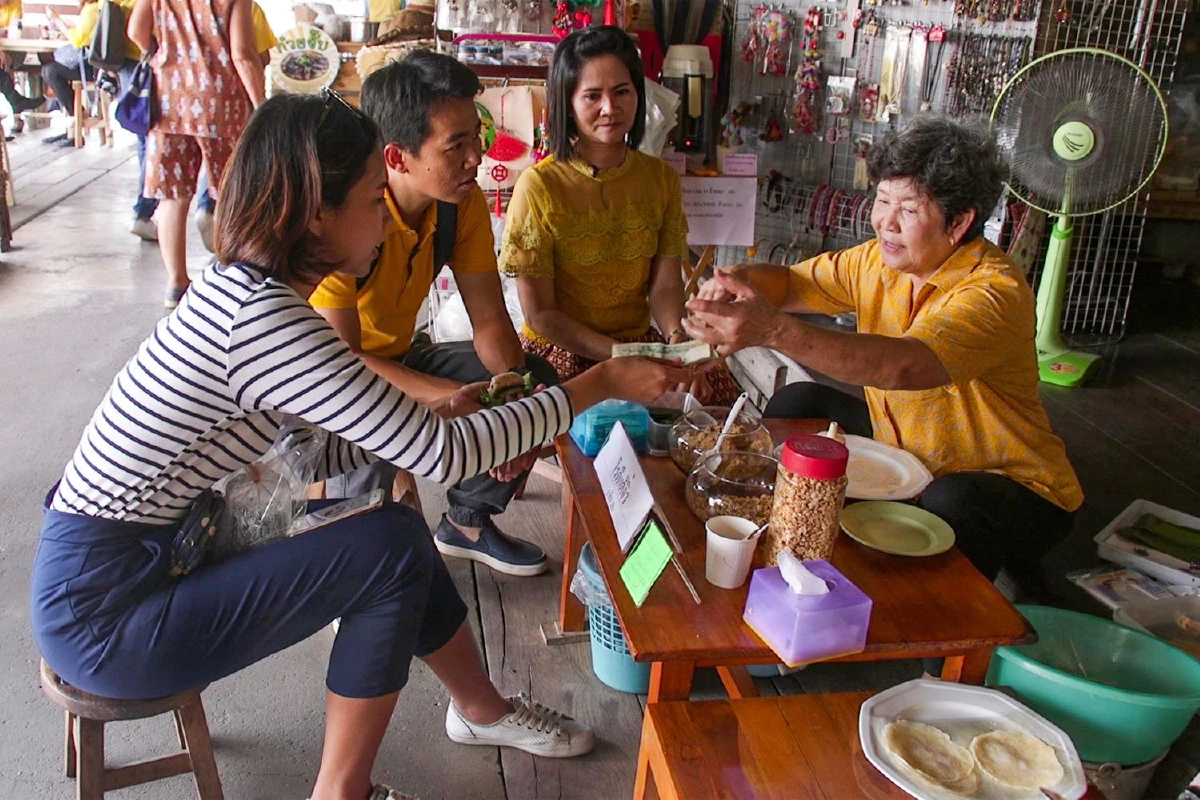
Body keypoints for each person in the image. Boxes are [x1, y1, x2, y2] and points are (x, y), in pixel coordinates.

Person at [30, 92, 696, 800]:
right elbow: (442, 457)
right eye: (373, 202)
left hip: (133, 569)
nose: (384, 221)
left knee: (392, 532)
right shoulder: (262, 319)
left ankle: (479, 709)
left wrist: (453, 412)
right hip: (109, 614)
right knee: (388, 550)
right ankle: (345, 789)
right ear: (315, 213)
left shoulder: (245, 293)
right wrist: (600, 383)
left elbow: (324, 449)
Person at [684, 116, 1083, 593]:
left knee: (954, 501)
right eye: (882, 201)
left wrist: (771, 329)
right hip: (910, 451)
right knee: (801, 403)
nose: (885, 222)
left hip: (1010, 486)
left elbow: (905, 365)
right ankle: (793, 545)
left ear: (959, 223)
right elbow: (792, 283)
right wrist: (738, 281)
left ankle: (951, 624)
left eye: (908, 210)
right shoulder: (879, 259)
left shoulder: (992, 291)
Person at [312, 52, 561, 577]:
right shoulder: (346, 213)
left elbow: (490, 320)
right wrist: (447, 401)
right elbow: (344, 362)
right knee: (366, 534)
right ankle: (343, 551)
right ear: (397, 157)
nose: (477, 157)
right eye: (457, 145)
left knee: (534, 383)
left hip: (403, 358)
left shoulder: (457, 201)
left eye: (477, 136)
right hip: (330, 385)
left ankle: (467, 521)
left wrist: (511, 400)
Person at [500, 25, 739, 405]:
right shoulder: (538, 186)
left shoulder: (660, 178)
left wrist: (677, 343)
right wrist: (619, 357)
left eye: (622, 91)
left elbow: (663, 288)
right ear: (568, 103)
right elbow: (542, 314)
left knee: (714, 404)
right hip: (563, 353)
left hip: (640, 346)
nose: (610, 108)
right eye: (592, 96)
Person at [127, 0, 265, 308]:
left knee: (172, 196)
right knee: (232, 190)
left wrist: (165, 53)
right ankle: (234, 276)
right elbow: (242, 53)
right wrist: (262, 105)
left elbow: (136, 31)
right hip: (220, 100)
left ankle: (176, 283)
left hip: (168, 98)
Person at [192, 0, 276, 252]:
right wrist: (262, 106)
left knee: (181, 188)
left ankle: (204, 207)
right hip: (229, 96)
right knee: (229, 164)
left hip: (181, 96)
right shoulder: (249, 8)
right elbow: (252, 55)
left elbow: (138, 32)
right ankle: (223, 229)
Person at [40, 0, 98, 145]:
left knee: (50, 71)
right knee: (51, 69)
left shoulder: (91, 9)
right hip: (95, 64)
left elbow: (78, 40)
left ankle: (76, 119)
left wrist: (57, 20)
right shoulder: (94, 8)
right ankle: (74, 121)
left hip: (91, 67)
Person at [0, 0, 45, 128]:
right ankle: (17, 103)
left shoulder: (15, 3)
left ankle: (16, 104)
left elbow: (14, 27)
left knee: (5, 63)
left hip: (12, 49)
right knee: (4, 65)